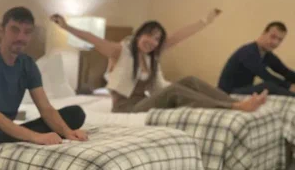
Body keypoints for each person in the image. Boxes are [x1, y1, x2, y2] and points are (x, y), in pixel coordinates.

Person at [51, 10, 268, 114]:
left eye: (157, 39)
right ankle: (233, 106)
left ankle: (233, 101)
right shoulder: (120, 51)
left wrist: (205, 21)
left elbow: (179, 36)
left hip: (143, 102)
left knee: (190, 80)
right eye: (149, 36)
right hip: (126, 108)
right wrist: (66, 26)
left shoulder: (151, 56)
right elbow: (92, 38)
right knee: (174, 91)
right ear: (139, 34)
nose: (153, 42)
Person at [0, 6, 88, 148]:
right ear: (1, 31)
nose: (21, 37)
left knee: (75, 114)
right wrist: (36, 137)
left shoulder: (28, 64)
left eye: (27, 32)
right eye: (15, 30)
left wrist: (68, 132)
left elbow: (45, 108)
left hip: (5, 129)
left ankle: (17, 136)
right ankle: (22, 136)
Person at [218, 22, 295, 96]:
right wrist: (289, 86)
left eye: (280, 40)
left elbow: (285, 71)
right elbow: (266, 76)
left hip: (242, 90)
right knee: (269, 86)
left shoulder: (266, 54)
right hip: (227, 93)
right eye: (273, 37)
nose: (275, 42)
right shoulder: (248, 52)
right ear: (264, 33)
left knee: (282, 82)